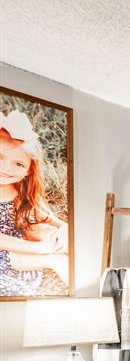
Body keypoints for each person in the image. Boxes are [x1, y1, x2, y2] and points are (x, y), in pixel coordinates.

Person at [0, 109, 69, 296]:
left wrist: (63, 230)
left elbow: (52, 220)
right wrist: (38, 249)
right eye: (0, 158)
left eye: (19, 164)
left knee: (49, 234)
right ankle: (50, 259)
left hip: (17, 256)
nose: (6, 168)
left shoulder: (21, 195)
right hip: (15, 253)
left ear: (29, 171)